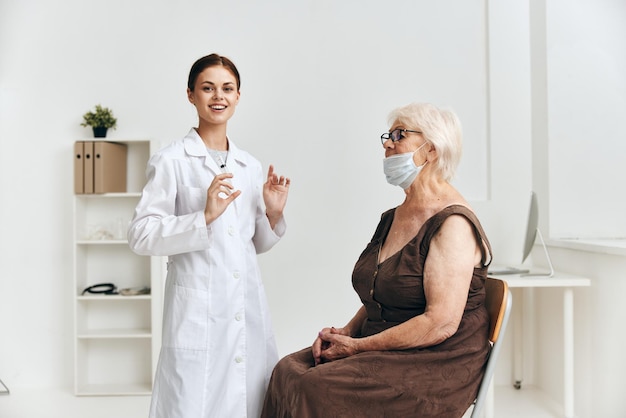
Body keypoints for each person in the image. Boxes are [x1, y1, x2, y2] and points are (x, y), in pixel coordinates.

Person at [261, 102, 493, 418]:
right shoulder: (394, 217)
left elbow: (440, 323)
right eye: (388, 135)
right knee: (288, 370)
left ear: (432, 150)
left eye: (399, 135)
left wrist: (357, 347)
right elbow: (383, 293)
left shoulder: (453, 223)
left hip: (436, 362)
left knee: (314, 386)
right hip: (388, 343)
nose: (387, 143)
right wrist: (346, 332)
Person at [128, 53, 290, 418]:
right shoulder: (171, 160)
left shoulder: (248, 166)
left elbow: (251, 244)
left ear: (238, 96)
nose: (218, 96)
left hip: (244, 306)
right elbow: (140, 234)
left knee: (249, 398)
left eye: (227, 88)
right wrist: (202, 217)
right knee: (193, 401)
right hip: (196, 309)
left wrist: (273, 213)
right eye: (208, 88)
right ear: (191, 95)